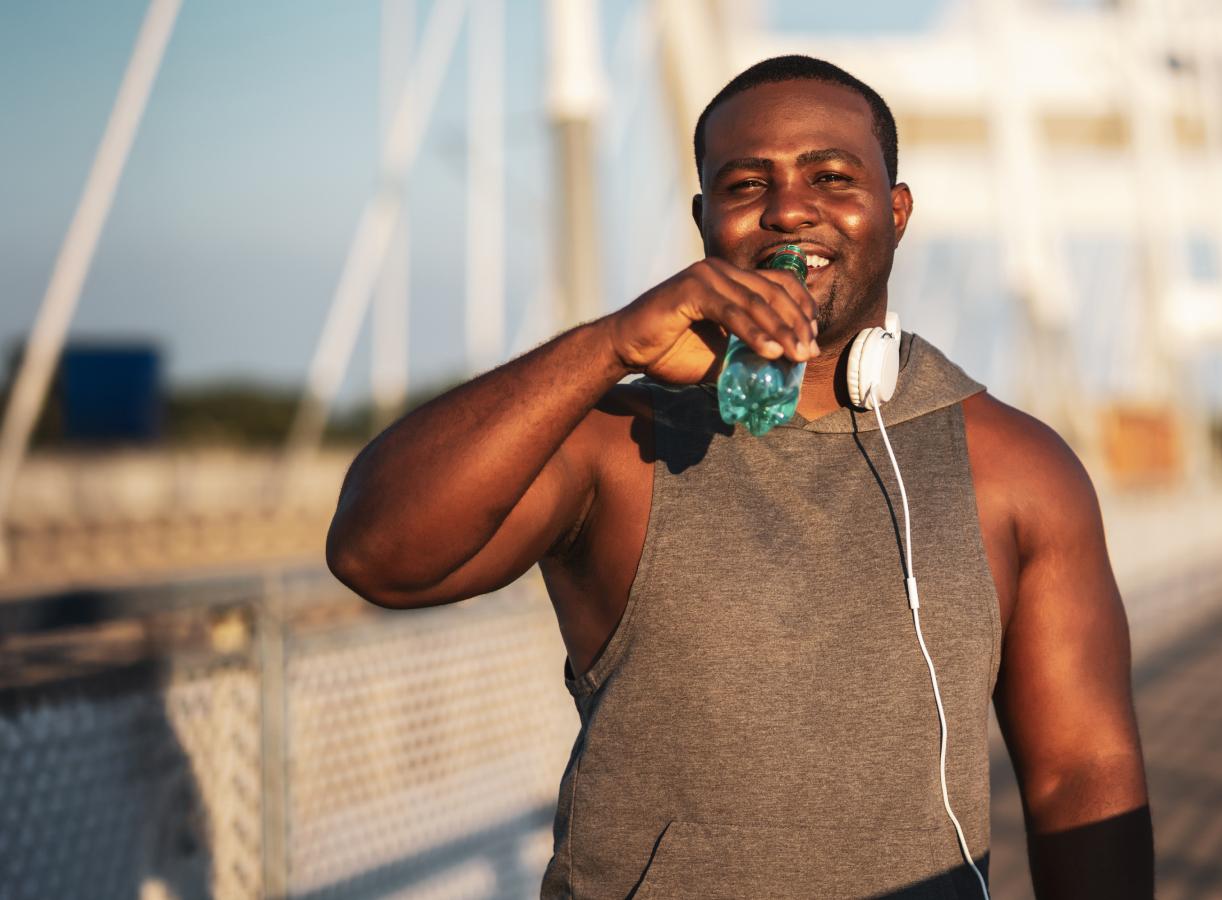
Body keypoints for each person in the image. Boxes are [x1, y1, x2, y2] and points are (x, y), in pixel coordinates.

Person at [327, 54, 1152, 899]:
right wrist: (609, 343)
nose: (791, 208)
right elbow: (375, 553)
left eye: (832, 177)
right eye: (746, 185)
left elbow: (1081, 770)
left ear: (896, 211)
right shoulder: (621, 440)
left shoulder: (1016, 467)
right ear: (704, 221)